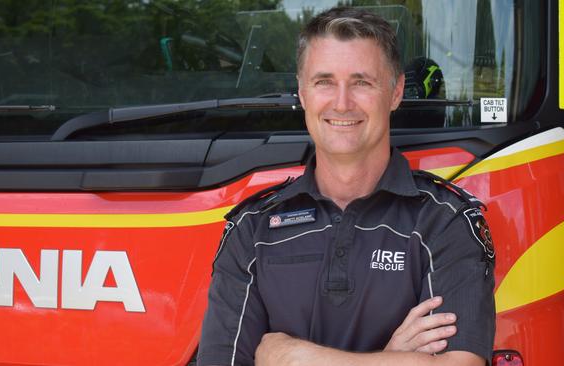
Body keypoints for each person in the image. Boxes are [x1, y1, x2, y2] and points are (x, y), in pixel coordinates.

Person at [197, 6, 495, 366]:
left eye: (361, 82)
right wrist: (390, 359)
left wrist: (294, 357)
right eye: (324, 82)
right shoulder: (253, 229)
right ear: (303, 93)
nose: (341, 103)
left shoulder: (444, 222)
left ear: (396, 91)